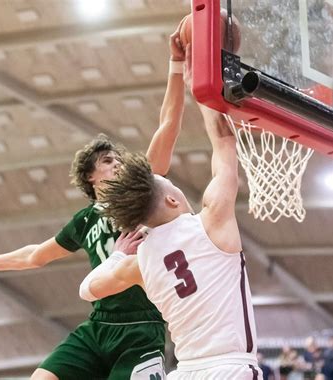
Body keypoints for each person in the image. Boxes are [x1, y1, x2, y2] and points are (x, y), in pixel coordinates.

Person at [0, 22, 187, 380]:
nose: (119, 163)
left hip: (142, 327)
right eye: (109, 161)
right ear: (90, 177)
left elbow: (167, 124)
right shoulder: (85, 220)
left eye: (119, 159)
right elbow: (35, 255)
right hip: (98, 326)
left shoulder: (141, 194)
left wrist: (175, 67)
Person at [79, 46, 261, 380]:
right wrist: (202, 85)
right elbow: (224, 143)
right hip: (228, 368)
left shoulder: (140, 264)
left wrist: (118, 256)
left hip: (185, 372)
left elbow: (88, 290)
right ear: (174, 201)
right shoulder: (212, 221)